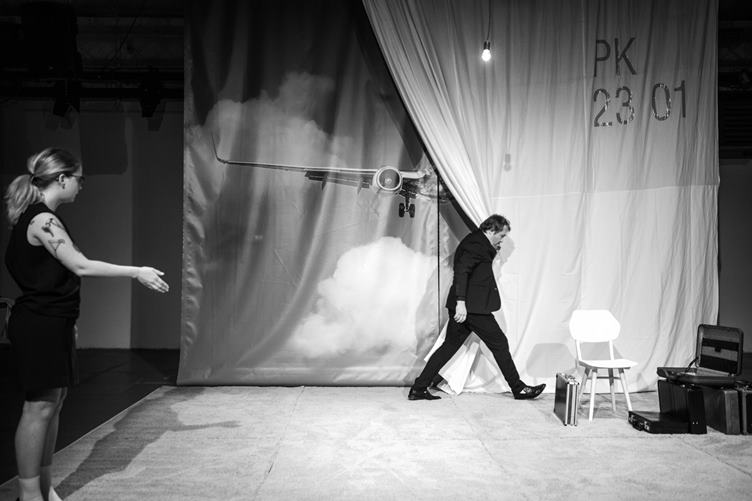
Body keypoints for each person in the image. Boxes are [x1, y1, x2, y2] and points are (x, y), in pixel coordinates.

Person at [4, 148, 169, 501]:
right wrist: (136, 271)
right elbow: (80, 265)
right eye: (80, 179)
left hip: (55, 322)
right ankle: (28, 493)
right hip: (39, 324)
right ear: (62, 179)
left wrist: (67, 324)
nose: (81, 186)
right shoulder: (41, 220)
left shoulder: (45, 218)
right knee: (38, 408)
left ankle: (43, 486)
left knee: (54, 403)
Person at [409, 214, 545, 401]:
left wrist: (493, 249)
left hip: (470, 306)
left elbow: (475, 270)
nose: (502, 240)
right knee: (499, 343)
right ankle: (518, 388)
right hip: (472, 308)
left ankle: (418, 388)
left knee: (448, 347)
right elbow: (461, 273)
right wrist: (461, 303)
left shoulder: (479, 243)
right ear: (491, 230)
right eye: (501, 235)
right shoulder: (475, 244)